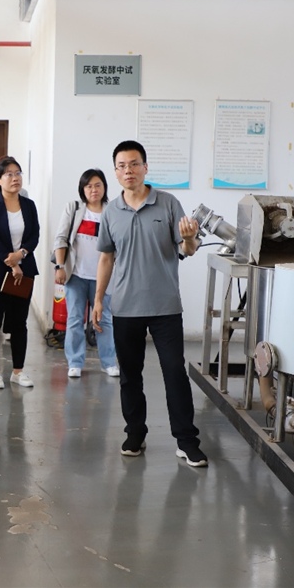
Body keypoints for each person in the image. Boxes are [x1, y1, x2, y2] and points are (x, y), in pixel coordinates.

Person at [92, 140, 208, 467]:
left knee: (174, 373)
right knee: (130, 376)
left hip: (165, 306)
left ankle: (186, 441)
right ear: (116, 172)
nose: (128, 170)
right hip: (125, 306)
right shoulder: (111, 211)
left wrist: (189, 238)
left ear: (145, 167)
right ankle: (135, 434)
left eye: (134, 164)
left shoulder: (168, 203)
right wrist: (99, 299)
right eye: (122, 166)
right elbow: (106, 258)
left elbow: (187, 249)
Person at [53, 169, 119, 379]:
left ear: (104, 187)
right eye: (89, 186)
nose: (93, 190)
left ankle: (108, 362)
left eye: (98, 185)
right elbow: (61, 238)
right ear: (82, 189)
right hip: (76, 276)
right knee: (75, 319)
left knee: (104, 320)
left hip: (103, 278)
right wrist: (60, 266)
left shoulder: (113, 211)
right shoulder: (74, 208)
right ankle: (75, 362)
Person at [0, 156, 39, 390]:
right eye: (9, 174)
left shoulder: (29, 205)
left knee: (19, 323)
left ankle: (18, 371)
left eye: (18, 173)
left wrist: (21, 254)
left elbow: (34, 235)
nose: (15, 178)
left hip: (25, 271)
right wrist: (13, 263)